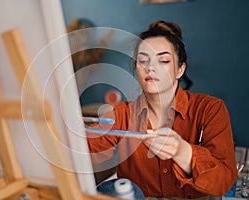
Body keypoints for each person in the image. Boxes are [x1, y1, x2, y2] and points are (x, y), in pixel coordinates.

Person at [86, 20, 238, 199]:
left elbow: (224, 182)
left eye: (163, 60)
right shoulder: (122, 114)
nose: (150, 67)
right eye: (143, 60)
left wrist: (182, 152)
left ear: (180, 69)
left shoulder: (210, 110)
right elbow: (81, 150)